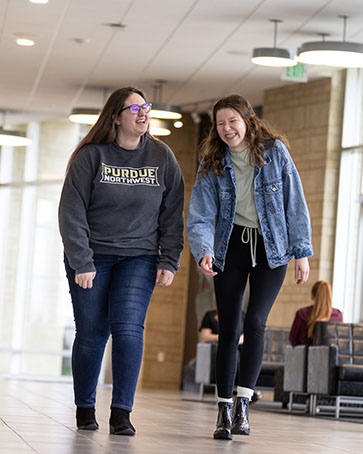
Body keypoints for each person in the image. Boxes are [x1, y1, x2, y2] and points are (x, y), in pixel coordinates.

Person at [58, 87, 184, 436]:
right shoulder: (91, 157)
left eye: (145, 107)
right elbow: (71, 212)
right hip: (92, 256)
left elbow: (172, 214)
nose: (142, 113)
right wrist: (81, 261)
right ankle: (85, 408)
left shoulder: (162, 157)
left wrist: (169, 259)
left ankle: (121, 413)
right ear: (115, 117)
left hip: (139, 257)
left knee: (128, 329)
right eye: (133, 109)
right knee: (92, 333)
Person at [187, 94, 313, 440]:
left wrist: (301, 253)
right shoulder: (213, 160)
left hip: (272, 248)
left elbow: (294, 202)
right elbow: (200, 213)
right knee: (230, 326)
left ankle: (244, 405)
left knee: (256, 322)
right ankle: (223, 408)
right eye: (220, 123)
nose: (227, 129)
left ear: (247, 119)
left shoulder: (274, 152)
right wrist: (204, 251)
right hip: (231, 245)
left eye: (233, 121)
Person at [289, 280, 343, 346]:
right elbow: (341, 341)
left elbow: (293, 340)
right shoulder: (338, 315)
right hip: (331, 356)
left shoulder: (301, 314)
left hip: (306, 355)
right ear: (329, 296)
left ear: (312, 295)